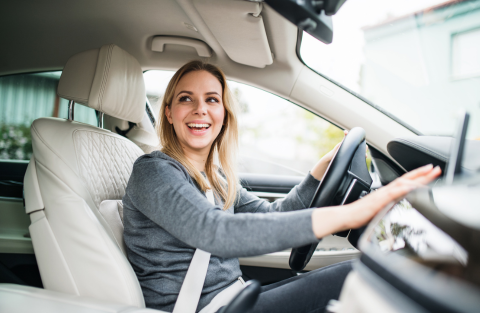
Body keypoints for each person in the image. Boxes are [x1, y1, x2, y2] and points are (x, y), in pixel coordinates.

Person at [123, 61, 441, 313]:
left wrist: (318, 173)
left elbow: (271, 214)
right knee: (359, 280)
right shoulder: (153, 171)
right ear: (168, 112)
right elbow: (217, 232)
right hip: (201, 308)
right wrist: (352, 214)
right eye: (185, 99)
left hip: (235, 297)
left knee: (359, 274)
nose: (200, 109)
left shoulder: (215, 177)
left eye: (212, 100)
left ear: (223, 115)